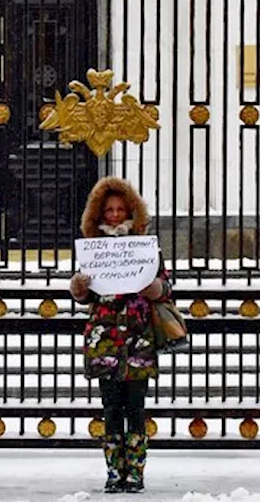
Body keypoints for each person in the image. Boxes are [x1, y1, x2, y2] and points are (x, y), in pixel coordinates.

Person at [69, 176, 171, 494]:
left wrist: (153, 287)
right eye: (109, 209)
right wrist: (79, 288)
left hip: (138, 338)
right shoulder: (92, 249)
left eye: (120, 209)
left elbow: (166, 287)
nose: (114, 215)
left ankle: (136, 470)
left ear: (131, 211)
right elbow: (88, 296)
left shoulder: (145, 247)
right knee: (111, 409)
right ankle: (114, 470)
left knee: (136, 408)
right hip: (106, 340)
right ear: (99, 213)